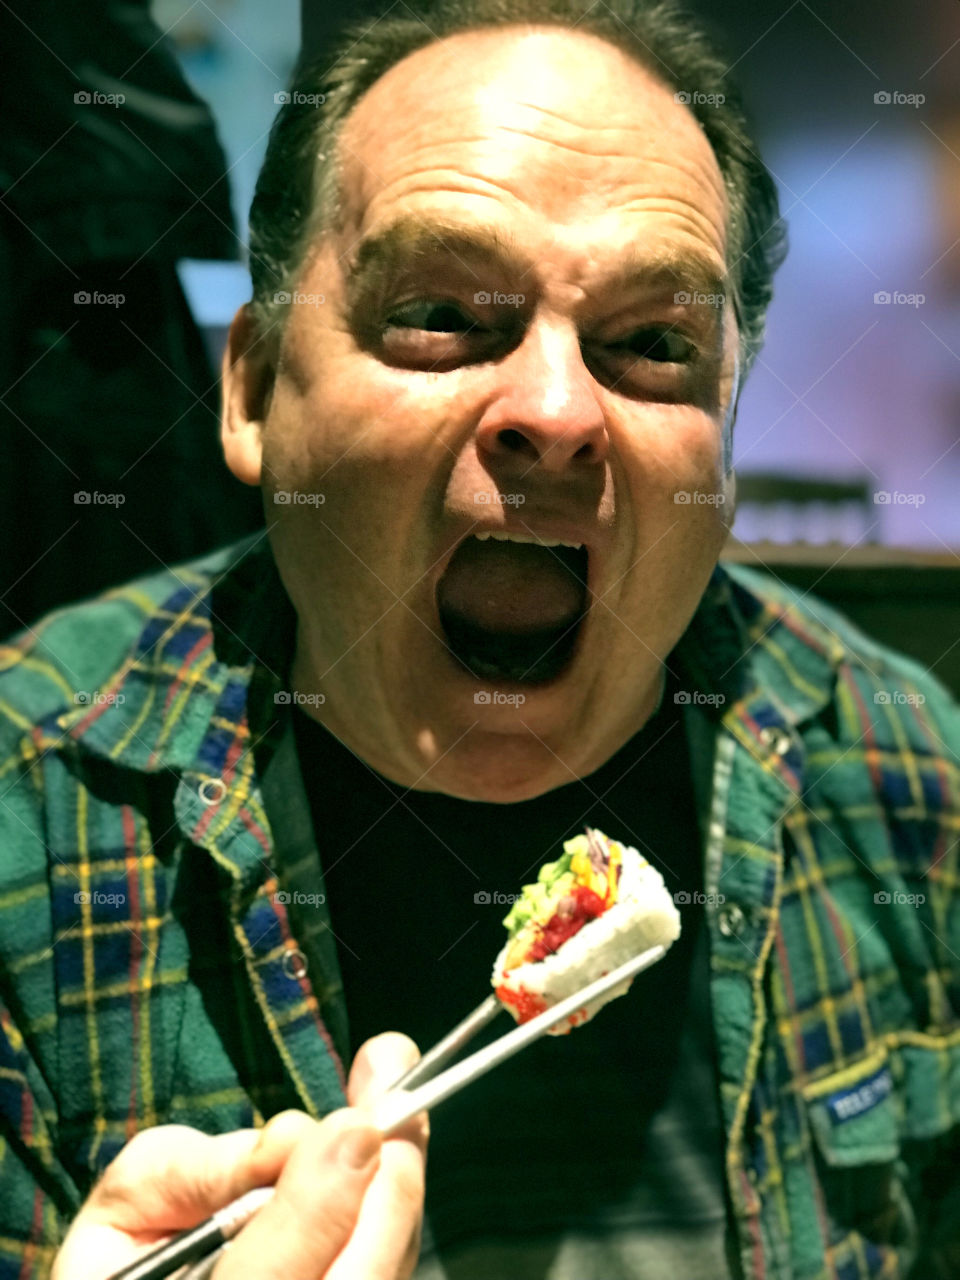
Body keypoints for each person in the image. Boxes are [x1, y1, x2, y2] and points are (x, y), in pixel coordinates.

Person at [0, 0, 958, 1277]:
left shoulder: (908, 778)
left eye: (655, 343)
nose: (558, 412)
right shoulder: (30, 807)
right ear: (250, 389)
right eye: (443, 314)